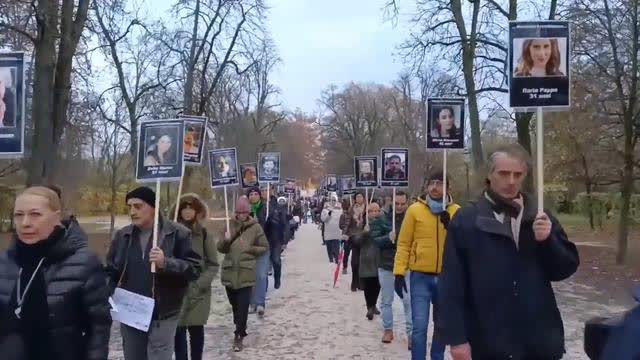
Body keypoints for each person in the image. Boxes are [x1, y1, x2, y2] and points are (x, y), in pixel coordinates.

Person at [436, 143, 579, 360]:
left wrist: (548, 241)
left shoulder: (539, 215)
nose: (511, 181)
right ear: (490, 175)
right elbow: (452, 284)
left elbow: (564, 269)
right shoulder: (467, 220)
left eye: (517, 174)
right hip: (488, 340)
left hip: (538, 340)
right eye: (504, 173)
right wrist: (456, 339)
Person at [0, 186, 111, 360]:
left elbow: (98, 327)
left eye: (35, 214)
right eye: (19, 215)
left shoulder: (83, 263)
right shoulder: (5, 262)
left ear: (56, 217)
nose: (25, 223)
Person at [105, 186, 201, 360]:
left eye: (138, 206)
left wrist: (167, 263)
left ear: (154, 208)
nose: (132, 212)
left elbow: (194, 270)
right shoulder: (123, 236)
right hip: (131, 312)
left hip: (163, 313)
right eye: (129, 207)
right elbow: (111, 270)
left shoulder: (178, 233)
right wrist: (105, 293)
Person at [394, 170, 461, 360]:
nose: (434, 187)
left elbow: (463, 245)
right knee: (419, 326)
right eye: (432, 183)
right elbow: (404, 242)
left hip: (446, 277)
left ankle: (437, 356)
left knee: (441, 325)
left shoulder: (456, 211)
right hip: (420, 276)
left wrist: (451, 227)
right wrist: (399, 272)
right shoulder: (415, 210)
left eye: (440, 183)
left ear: (448, 187)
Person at [217, 196, 269, 352]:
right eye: (239, 212)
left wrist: (251, 249)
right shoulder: (228, 225)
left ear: (249, 212)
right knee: (235, 305)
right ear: (235, 212)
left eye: (244, 212)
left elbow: (264, 247)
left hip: (246, 272)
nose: (241, 215)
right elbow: (221, 248)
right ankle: (240, 324)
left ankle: (238, 335)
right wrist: (225, 240)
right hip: (229, 271)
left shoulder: (255, 227)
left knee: (243, 305)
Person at [173, 194, 219, 360]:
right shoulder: (171, 233)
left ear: (197, 210)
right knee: (177, 334)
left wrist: (201, 284)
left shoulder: (204, 234)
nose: (187, 211)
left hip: (198, 292)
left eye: (191, 207)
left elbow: (213, 263)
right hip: (176, 290)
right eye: (184, 207)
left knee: (196, 332)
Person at [371, 190, 412, 348]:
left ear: (407, 202)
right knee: (386, 300)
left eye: (402, 203)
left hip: (407, 265)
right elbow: (375, 240)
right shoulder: (382, 219)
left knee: (409, 301)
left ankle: (411, 333)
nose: (399, 206)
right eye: (397, 203)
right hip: (387, 264)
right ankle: (388, 329)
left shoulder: (412, 218)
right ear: (391, 202)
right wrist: (387, 238)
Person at [247, 186, 286, 317]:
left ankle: (260, 303)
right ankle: (252, 302)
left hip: (265, 245)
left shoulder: (267, 208)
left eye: (255, 194)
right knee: (251, 276)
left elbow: (278, 224)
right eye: (250, 194)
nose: (253, 196)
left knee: (262, 275)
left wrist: (269, 221)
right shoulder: (244, 210)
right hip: (249, 247)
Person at [352, 202, 382, 320]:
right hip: (366, 259)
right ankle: (369, 306)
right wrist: (364, 233)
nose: (374, 213)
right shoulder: (362, 225)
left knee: (377, 284)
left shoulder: (383, 224)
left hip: (379, 258)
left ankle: (373, 304)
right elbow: (355, 241)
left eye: (376, 211)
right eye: (371, 211)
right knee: (368, 284)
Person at [345, 192, 367, 291]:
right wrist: (345, 233)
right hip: (354, 236)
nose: (359, 198)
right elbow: (347, 222)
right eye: (357, 197)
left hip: (365, 236)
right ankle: (354, 282)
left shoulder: (367, 208)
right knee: (355, 262)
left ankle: (361, 283)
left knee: (363, 262)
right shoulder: (351, 209)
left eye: (360, 196)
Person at [321, 197, 342, 264]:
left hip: (337, 230)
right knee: (329, 246)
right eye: (332, 200)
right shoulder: (325, 210)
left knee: (336, 246)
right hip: (328, 231)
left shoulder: (339, 209)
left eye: (334, 200)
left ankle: (336, 258)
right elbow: (323, 219)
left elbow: (342, 218)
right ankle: (330, 258)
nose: (333, 202)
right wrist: (329, 215)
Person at [338, 198, 352, 275]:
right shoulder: (343, 215)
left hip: (352, 235)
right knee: (346, 253)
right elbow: (340, 226)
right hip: (345, 236)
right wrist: (345, 227)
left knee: (349, 253)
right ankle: (345, 267)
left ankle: (345, 267)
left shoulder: (353, 215)